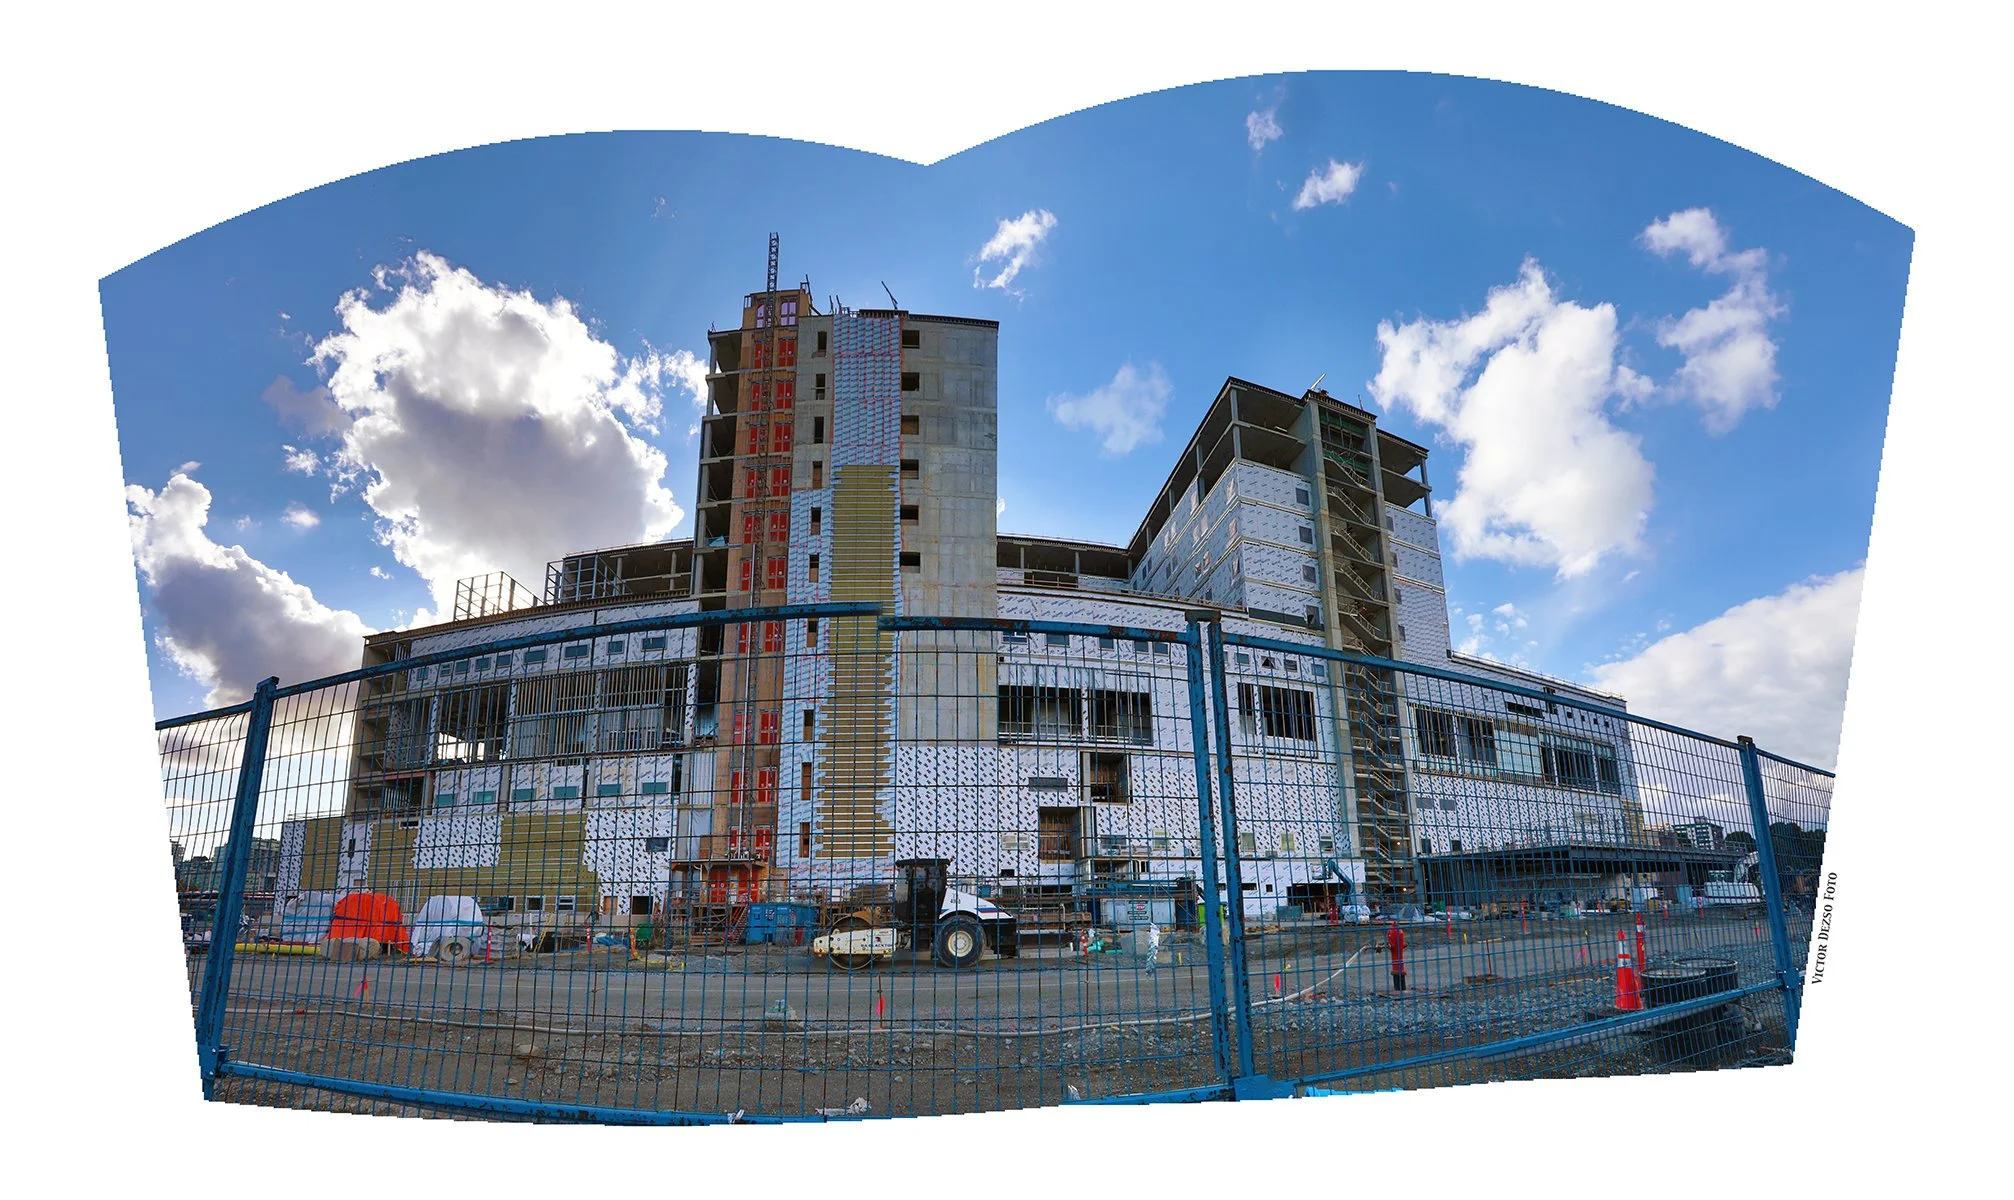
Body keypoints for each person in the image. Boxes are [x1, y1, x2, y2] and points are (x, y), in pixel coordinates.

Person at [1386, 920, 1407, 993]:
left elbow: (1392, 945)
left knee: (1396, 963)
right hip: (1398, 957)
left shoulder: (1391, 932)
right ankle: (1401, 988)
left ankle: (1398, 988)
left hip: (1395, 958)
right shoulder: (1400, 932)